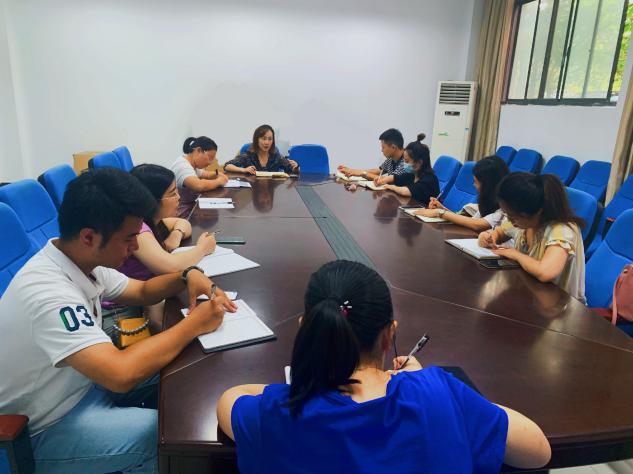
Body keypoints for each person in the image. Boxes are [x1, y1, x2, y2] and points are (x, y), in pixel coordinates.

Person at [0, 168, 236, 474]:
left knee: (183, 370)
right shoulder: (49, 294)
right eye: (129, 238)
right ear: (88, 236)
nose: (135, 247)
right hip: (42, 428)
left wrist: (186, 275)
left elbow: (142, 290)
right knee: (162, 433)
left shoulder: (80, 260)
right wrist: (195, 324)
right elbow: (120, 373)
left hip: (81, 385)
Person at [217, 260, 551, 474]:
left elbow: (230, 399)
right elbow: (537, 451)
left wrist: (302, 385)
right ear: (390, 334)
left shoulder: (278, 410)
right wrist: (441, 391)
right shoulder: (439, 393)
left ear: (306, 329)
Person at [478, 172, 586, 303]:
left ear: (537, 211)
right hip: (530, 295)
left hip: (562, 307)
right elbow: (499, 232)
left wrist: (515, 254)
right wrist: (489, 236)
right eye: (507, 215)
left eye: (513, 217)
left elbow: (545, 272)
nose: (511, 221)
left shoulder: (562, 231)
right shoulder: (525, 221)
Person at [416, 155, 509, 231]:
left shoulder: (505, 209)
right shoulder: (488, 202)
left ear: (488, 185)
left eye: (476, 182)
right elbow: (468, 221)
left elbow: (477, 224)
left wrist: (440, 212)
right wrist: (442, 208)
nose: (474, 185)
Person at [375, 133, 440, 204]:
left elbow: (406, 191)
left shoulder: (429, 179)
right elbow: (395, 177)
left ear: (419, 162)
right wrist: (382, 180)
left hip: (426, 209)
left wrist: (390, 187)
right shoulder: (412, 174)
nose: (404, 164)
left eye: (407, 161)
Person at [224, 125, 299, 174]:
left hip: (271, 190)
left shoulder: (275, 154)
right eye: (264, 139)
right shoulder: (249, 155)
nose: (267, 142)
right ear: (257, 140)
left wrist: (295, 167)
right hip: (253, 190)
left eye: (270, 139)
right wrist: (244, 170)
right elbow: (227, 166)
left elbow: (291, 169)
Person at [337, 128, 407, 179]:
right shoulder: (391, 158)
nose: (381, 150)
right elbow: (379, 171)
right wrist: (351, 170)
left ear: (393, 147)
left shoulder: (406, 162)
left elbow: (389, 180)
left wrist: (362, 173)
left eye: (383, 147)